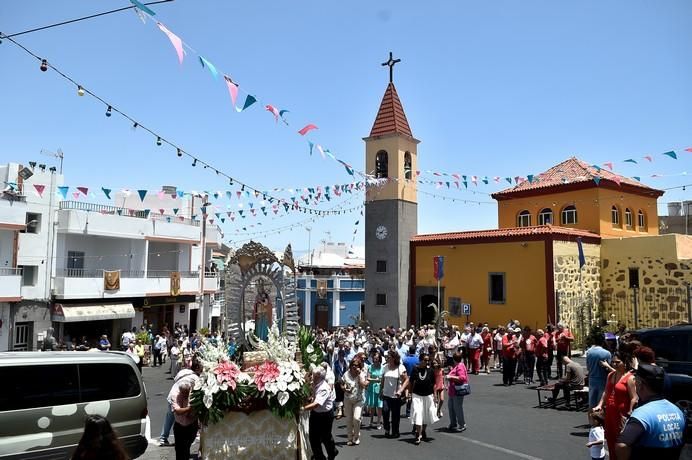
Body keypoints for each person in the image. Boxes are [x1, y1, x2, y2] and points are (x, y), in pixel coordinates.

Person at [615, 363, 685, 460]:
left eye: (636, 381)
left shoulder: (642, 414)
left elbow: (622, 446)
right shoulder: (678, 411)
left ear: (640, 384)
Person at [593, 352, 637, 460]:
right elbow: (606, 393)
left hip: (622, 415)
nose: (614, 364)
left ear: (625, 363)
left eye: (618, 362)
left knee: (621, 443)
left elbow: (634, 398)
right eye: (613, 362)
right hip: (610, 413)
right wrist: (599, 405)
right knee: (610, 439)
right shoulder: (611, 375)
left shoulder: (630, 378)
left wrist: (630, 412)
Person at [159, 360, 201, 446]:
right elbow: (195, 393)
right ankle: (188, 439)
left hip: (172, 394)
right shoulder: (196, 379)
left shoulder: (184, 371)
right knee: (184, 419)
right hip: (181, 397)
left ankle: (163, 438)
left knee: (169, 418)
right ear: (197, 368)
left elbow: (175, 379)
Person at [302, 365, 338, 460]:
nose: (311, 377)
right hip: (315, 414)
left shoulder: (324, 388)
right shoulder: (315, 383)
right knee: (313, 438)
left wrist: (303, 408)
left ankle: (332, 451)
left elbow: (316, 404)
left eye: (313, 375)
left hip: (325, 415)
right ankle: (320, 458)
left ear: (319, 377)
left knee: (325, 437)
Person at [407, 353, 439, 445]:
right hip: (417, 395)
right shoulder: (415, 369)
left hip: (428, 395)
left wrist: (435, 396)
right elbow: (411, 382)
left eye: (428, 360)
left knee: (425, 415)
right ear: (420, 360)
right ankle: (418, 434)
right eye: (425, 360)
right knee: (418, 413)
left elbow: (434, 384)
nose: (427, 362)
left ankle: (423, 430)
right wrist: (409, 394)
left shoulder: (431, 371)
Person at [380, 350, 408, 438]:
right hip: (386, 394)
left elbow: (407, 380)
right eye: (386, 357)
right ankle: (387, 428)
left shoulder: (400, 367)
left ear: (394, 358)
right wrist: (381, 390)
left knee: (395, 415)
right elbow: (383, 380)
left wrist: (401, 390)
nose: (387, 358)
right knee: (385, 412)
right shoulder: (385, 367)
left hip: (396, 395)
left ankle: (395, 431)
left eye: (388, 357)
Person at [341, 358, 368, 446]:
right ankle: (349, 438)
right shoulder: (346, 374)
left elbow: (363, 385)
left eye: (356, 365)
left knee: (356, 418)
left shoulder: (361, 374)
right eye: (353, 365)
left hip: (358, 399)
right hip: (348, 399)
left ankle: (356, 436)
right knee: (349, 419)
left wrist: (359, 374)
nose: (354, 367)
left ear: (359, 366)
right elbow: (341, 383)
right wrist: (344, 388)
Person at [585, 333, 612, 410]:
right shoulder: (607, 353)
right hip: (603, 379)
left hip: (592, 378)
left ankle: (592, 421)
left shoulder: (589, 352)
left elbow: (588, 367)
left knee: (592, 402)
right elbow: (608, 368)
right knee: (601, 402)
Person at [171, 381, 197, 460]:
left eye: (187, 392)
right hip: (180, 425)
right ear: (180, 391)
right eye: (184, 393)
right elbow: (178, 411)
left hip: (191, 425)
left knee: (187, 446)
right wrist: (190, 408)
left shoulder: (192, 394)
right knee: (179, 449)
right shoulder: (175, 395)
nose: (186, 395)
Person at [446, 351, 468, 432]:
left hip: (457, 391)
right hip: (452, 391)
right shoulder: (456, 366)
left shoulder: (460, 366)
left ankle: (462, 424)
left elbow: (462, 378)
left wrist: (450, 377)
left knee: (457, 408)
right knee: (451, 407)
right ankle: (453, 423)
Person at [365, 351, 384, 429]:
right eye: (374, 358)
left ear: (379, 359)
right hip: (372, 388)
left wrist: (380, 381)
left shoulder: (383, 367)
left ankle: (378, 422)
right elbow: (368, 378)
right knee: (372, 405)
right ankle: (371, 420)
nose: (375, 360)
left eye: (377, 358)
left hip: (380, 388)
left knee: (380, 406)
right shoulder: (370, 367)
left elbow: (384, 378)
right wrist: (375, 380)